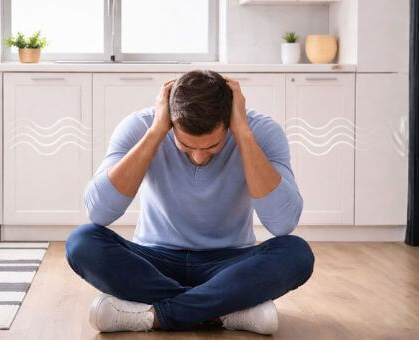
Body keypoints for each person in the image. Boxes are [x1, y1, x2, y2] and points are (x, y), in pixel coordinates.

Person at [65, 70, 315, 334]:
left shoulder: (261, 132)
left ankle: (152, 316)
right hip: (153, 262)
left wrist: (242, 133)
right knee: (82, 241)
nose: (198, 157)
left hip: (229, 264)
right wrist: (156, 132)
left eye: (212, 146)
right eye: (186, 145)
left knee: (296, 253)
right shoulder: (141, 126)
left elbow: (282, 223)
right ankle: (223, 311)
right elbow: (99, 212)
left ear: (230, 119)